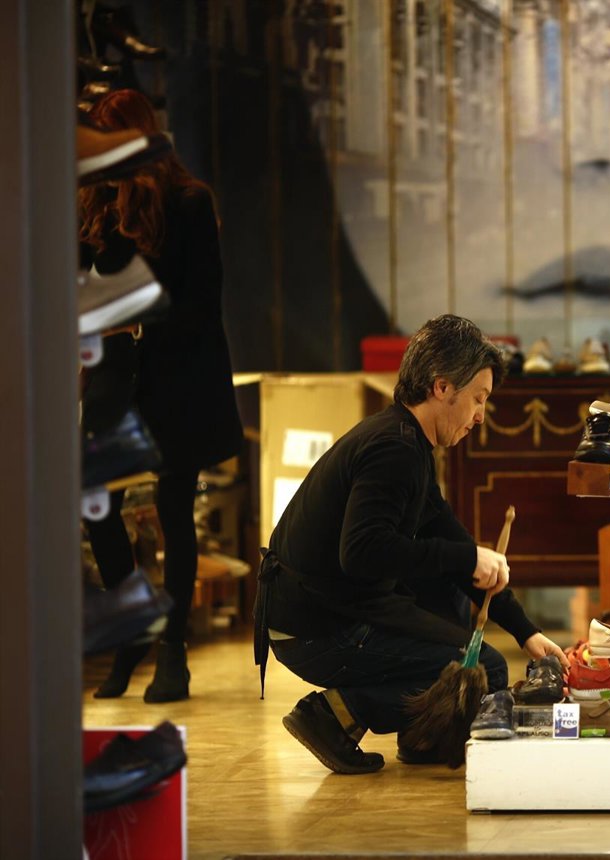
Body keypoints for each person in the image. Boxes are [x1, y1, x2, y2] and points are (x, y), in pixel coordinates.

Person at [256, 314, 566, 774]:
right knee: (484, 669)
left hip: (326, 607)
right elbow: (362, 552)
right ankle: (335, 715)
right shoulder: (395, 449)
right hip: (314, 626)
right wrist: (466, 557)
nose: (480, 416)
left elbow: (450, 544)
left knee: (447, 591)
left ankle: (423, 735)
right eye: (478, 398)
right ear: (442, 387)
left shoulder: (408, 443)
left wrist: (526, 632)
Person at [80, 89, 244, 703]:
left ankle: (172, 650)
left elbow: (202, 303)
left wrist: (133, 322)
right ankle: (135, 629)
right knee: (96, 503)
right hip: (116, 376)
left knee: (175, 511)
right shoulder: (95, 205)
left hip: (178, 375)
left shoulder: (188, 202)